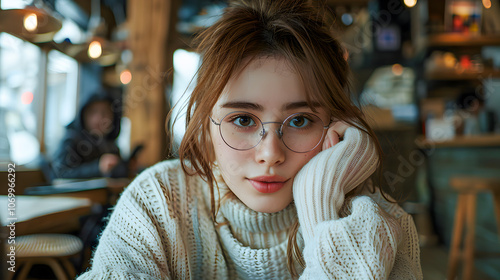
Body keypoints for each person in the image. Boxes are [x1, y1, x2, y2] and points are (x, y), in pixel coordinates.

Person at [78, 0, 422, 279]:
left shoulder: (376, 224)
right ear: (206, 125)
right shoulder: (159, 203)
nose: (270, 154)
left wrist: (320, 207)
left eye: (300, 120)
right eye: (242, 119)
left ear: (336, 124)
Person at [51, 89, 128, 179]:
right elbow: (60, 174)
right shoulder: (70, 141)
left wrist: (127, 166)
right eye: (93, 112)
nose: (98, 119)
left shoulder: (109, 145)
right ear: (83, 115)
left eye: (104, 113)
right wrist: (98, 167)